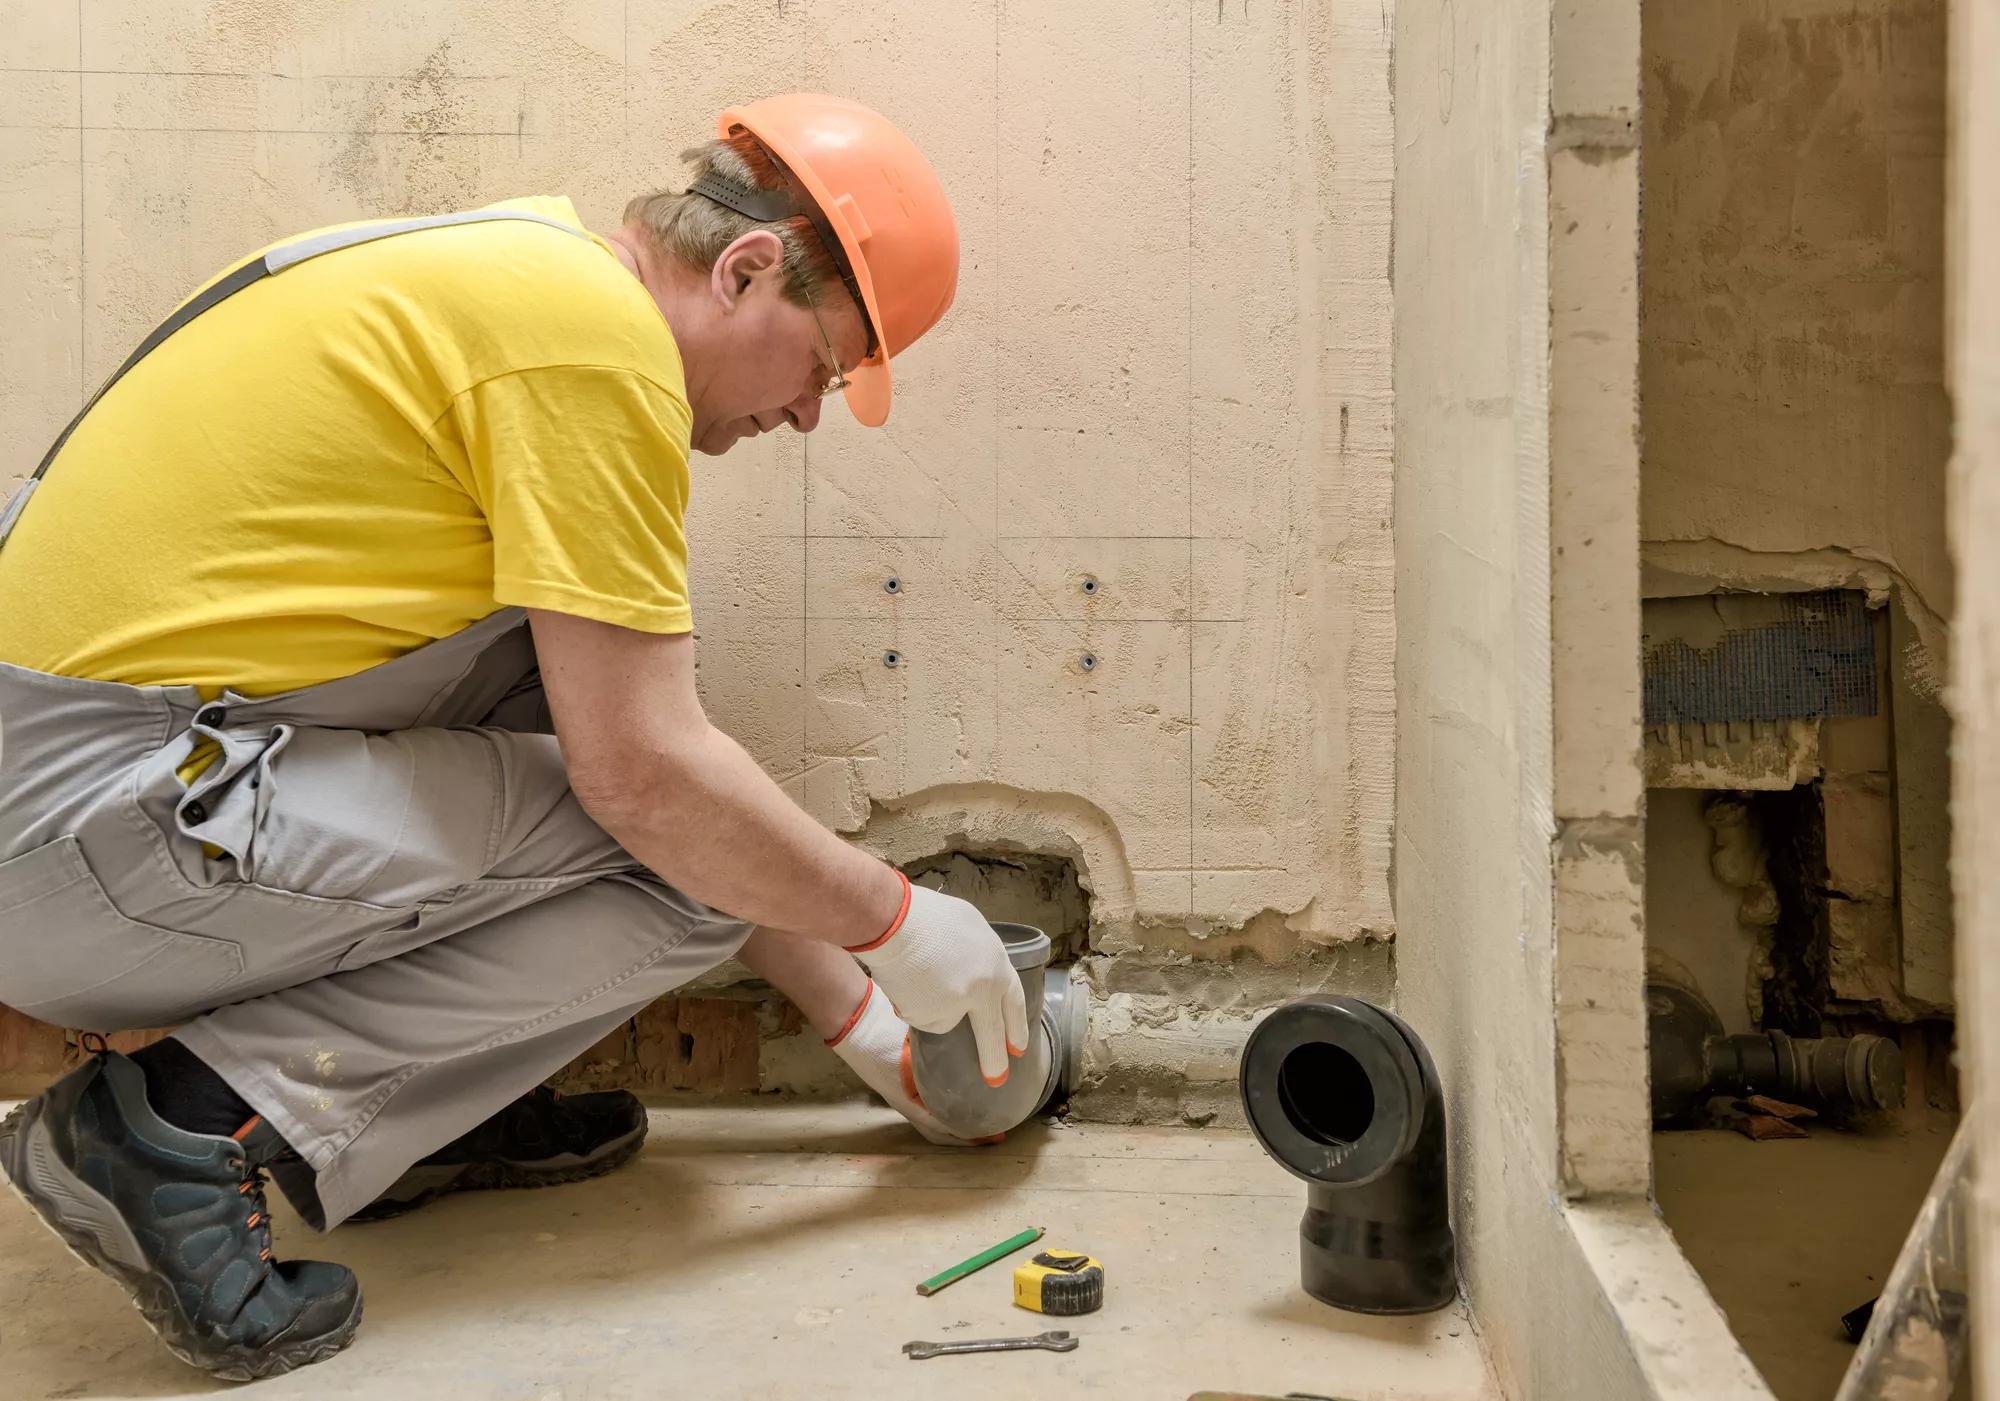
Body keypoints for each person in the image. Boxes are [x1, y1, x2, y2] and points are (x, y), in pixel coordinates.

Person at [0, 93, 1024, 1381]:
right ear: (747, 267)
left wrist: (868, 1028)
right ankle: (170, 1130)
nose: (811, 417)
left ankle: (414, 1118)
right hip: (85, 825)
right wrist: (897, 925)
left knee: (552, 695)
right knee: (672, 867)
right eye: (822, 367)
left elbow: (601, 729)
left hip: (88, 792)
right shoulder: (592, 352)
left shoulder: (519, 273)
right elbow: (651, 786)